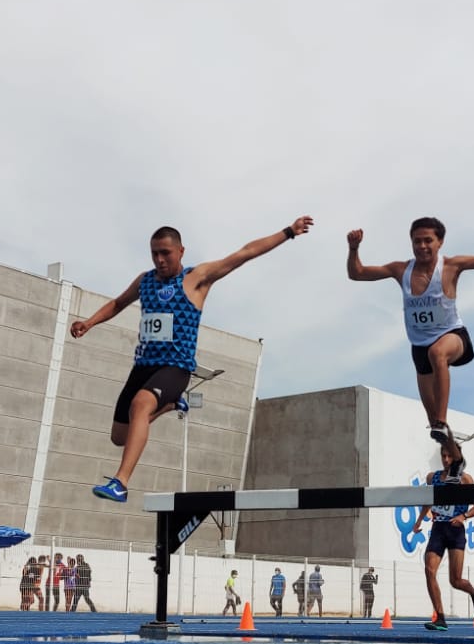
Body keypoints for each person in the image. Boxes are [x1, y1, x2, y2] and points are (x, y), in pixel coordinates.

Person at [72, 215, 313, 503]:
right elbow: (118, 303)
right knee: (119, 437)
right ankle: (171, 405)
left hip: (175, 366)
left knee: (141, 405)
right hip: (143, 366)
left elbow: (245, 253)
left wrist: (289, 232)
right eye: (154, 254)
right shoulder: (145, 281)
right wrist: (89, 322)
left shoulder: (196, 279)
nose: (159, 260)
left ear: (181, 252)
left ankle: (120, 483)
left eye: (166, 253)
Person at [348, 218, 474, 472]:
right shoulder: (401, 270)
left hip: (453, 337)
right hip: (419, 348)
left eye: (428, 241)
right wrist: (354, 249)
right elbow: (356, 274)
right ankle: (456, 458)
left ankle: (442, 420)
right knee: (433, 421)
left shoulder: (452, 266)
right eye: (417, 241)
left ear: (440, 242)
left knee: (438, 353)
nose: (422, 246)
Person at [410, 445, 474, 630]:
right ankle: (440, 617)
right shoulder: (432, 478)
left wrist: (463, 517)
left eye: (449, 456)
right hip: (438, 528)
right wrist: (419, 521)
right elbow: (429, 500)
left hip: (456, 529)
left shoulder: (465, 479)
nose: (445, 459)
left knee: (455, 580)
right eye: (443, 456)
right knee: (429, 570)